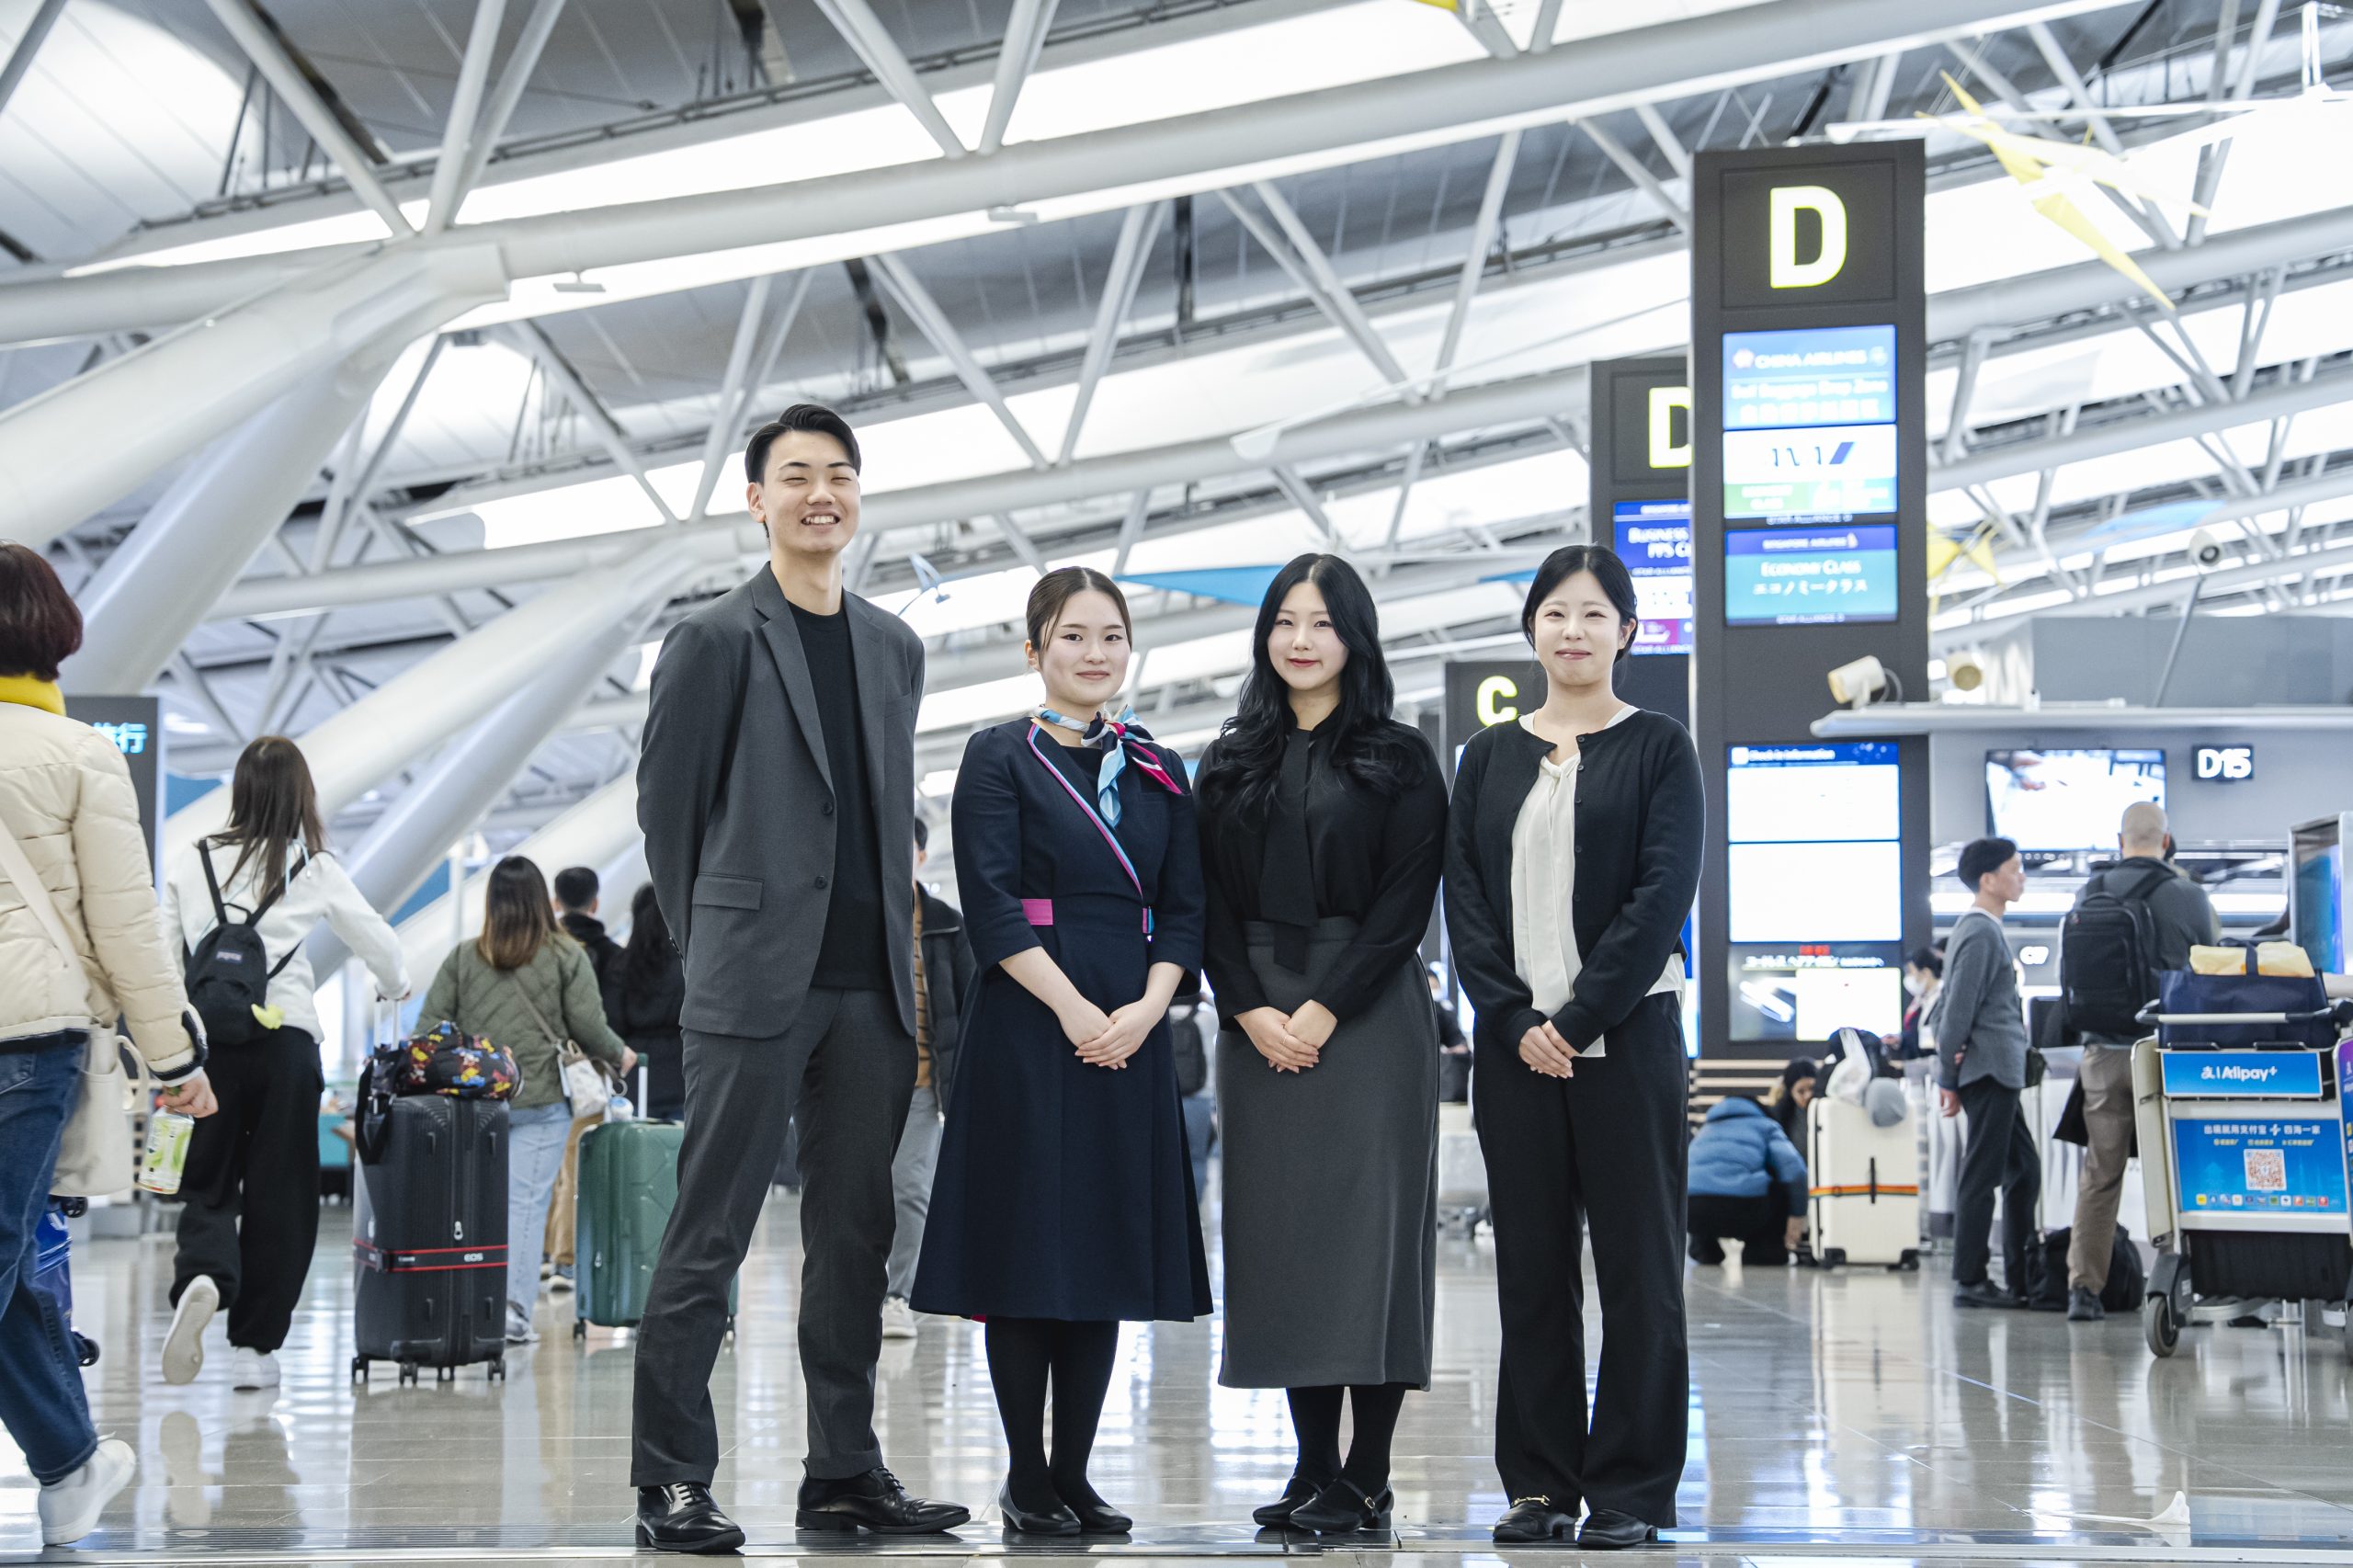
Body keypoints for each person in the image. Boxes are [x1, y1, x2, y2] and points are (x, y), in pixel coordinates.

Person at [631, 403, 967, 1552]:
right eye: (796, 476)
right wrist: (715, 946)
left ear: (857, 496)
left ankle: (844, 1472)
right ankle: (672, 1477)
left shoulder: (892, 646)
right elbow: (668, 817)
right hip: (751, 981)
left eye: (838, 475)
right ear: (757, 499)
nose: (820, 493)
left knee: (855, 1236)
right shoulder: (715, 639)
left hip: (872, 985)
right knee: (709, 1228)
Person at [912, 567, 1210, 1538]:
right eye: (1073, 636)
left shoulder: (1159, 764)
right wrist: (1078, 1010)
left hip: (1133, 1020)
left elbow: (1185, 909)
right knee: (1028, 1246)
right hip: (1032, 1020)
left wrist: (1148, 1008)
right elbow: (992, 904)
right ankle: (1027, 1476)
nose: (1095, 653)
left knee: (1103, 1248)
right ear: (1034, 650)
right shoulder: (999, 753)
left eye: (1111, 636)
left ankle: (1075, 1473)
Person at [1442, 544, 1702, 1551]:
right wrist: (1513, 1021)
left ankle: (1632, 1488)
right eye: (1556, 612)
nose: (1574, 630)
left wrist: (1580, 1019)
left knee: (1640, 1269)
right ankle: (1539, 1483)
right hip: (1515, 1053)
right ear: (1531, 630)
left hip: (1627, 1040)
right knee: (1533, 1271)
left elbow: (1660, 897)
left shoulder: (1660, 747)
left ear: (1627, 631)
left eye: (1595, 613)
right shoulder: (1487, 757)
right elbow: (1466, 902)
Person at [1194, 552, 1446, 1535]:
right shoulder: (1229, 759)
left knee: (1371, 1236)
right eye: (1284, 622)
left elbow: (1405, 903)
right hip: (1255, 1013)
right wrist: (1248, 1007)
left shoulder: (1400, 756)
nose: (1301, 640)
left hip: (1370, 1012)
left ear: (1355, 638)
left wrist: (1324, 1009)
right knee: (1285, 1237)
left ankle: (1368, 1473)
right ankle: (1312, 1464)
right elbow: (1204, 902)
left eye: (1323, 623)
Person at [0, 540, 217, 1546]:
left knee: (11, 1261)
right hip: (27, 1039)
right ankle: (70, 1465)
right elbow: (128, 928)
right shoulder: (81, 755)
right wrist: (175, 1059)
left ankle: (70, 1466)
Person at [160, 735, 408, 1394]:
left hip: (207, 1047)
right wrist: (397, 984)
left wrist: (170, 1051)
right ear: (301, 794)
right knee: (282, 1195)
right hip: (287, 1044)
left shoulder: (192, 859)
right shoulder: (310, 866)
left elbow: (160, 958)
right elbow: (380, 944)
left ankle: (204, 1274)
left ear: (239, 790)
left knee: (207, 1178)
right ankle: (254, 1349)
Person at [418, 855, 633, 1346]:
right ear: (542, 900)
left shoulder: (464, 958)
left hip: (475, 1106)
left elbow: (429, 1029)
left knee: (472, 1208)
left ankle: (468, 1306)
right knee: (525, 1206)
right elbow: (587, 1025)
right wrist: (618, 1052)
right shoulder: (566, 956)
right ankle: (511, 1312)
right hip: (540, 1101)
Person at [2065, 801, 2216, 1322]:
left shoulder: (2090, 892)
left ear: (2120, 840)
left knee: (2100, 1174)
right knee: (2176, 1172)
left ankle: (2083, 1289)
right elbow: (2211, 968)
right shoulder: (2187, 895)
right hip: (2164, 1051)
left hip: (2102, 1053)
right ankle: (2184, 1285)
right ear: (2167, 841)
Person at [881, 816, 975, 1341]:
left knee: (909, 1187)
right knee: (857, 1191)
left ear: (921, 855)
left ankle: (898, 1295)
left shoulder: (946, 924)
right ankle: (860, 1291)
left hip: (922, 1080)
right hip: (866, 1077)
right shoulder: (864, 913)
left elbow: (968, 1001)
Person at [1936, 835, 2039, 1311]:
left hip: (1998, 1069)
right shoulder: (1979, 931)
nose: (2022, 877)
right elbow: (1956, 1011)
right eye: (2014, 869)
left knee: (2024, 1169)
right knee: (1983, 1174)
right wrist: (1947, 1077)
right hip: (1989, 1069)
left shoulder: (1985, 929)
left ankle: (2021, 1275)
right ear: (1988, 879)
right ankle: (1971, 1278)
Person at [545, 865, 623, 1295]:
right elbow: (602, 1019)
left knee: (543, 1164)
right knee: (576, 1164)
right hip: (585, 1072)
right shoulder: (611, 955)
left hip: (541, 1067)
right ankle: (566, 1259)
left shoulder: (541, 949)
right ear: (595, 903)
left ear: (556, 902)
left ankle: (542, 1252)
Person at [1688, 1096, 1809, 1267]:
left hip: (1691, 1210)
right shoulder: (1766, 1126)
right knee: (1778, 1185)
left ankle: (1704, 1249)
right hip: (1744, 1209)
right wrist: (1797, 1215)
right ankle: (1764, 1250)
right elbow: (1795, 1172)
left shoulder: (1705, 1130)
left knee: (1701, 1185)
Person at [606, 884, 687, 1120]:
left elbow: (613, 1025)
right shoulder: (688, 965)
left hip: (636, 1075)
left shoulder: (620, 965)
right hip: (682, 1073)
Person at [1167, 980, 1217, 1198]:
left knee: (1169, 1157)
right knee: (1197, 1157)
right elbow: (1230, 1013)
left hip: (1168, 1097)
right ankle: (1195, 1207)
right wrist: (1206, 999)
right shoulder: (1207, 1018)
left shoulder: (1159, 1018)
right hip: (1199, 1097)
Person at [1896, 947, 1943, 1060]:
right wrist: (1900, 1039)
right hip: (1920, 1064)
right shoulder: (1919, 1001)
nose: (1908, 978)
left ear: (1926, 973)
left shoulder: (1944, 998)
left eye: (1910, 972)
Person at [1433, 969, 1472, 1104]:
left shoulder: (1443, 1009)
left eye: (1435, 986)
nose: (1433, 990)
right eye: (1430, 986)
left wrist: (1457, 1048)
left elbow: (1455, 1037)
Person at [1766, 1057, 1817, 1148]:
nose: (1808, 1095)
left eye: (1812, 1088)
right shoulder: (1780, 1119)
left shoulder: (1830, 1112)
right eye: (1801, 1091)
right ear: (1791, 1094)